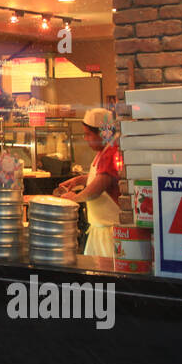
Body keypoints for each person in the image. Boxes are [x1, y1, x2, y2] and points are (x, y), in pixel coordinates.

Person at [54, 107, 122, 257]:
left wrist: (75, 198)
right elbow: (98, 176)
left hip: (110, 233)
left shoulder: (111, 153)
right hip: (99, 230)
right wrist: (80, 180)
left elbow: (97, 189)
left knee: (107, 277)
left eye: (88, 134)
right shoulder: (103, 152)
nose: (85, 139)